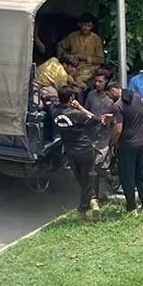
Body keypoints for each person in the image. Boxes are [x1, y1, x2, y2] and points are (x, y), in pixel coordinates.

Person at [50, 86, 112, 221]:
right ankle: (83, 209)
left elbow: (54, 104)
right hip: (84, 150)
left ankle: (93, 201)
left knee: (81, 179)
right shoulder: (76, 114)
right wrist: (80, 107)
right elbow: (96, 120)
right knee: (88, 178)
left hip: (69, 151)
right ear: (71, 98)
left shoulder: (54, 112)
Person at [107, 82, 143, 215]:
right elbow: (131, 114)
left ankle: (132, 207)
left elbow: (118, 129)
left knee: (127, 177)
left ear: (114, 90)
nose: (109, 97)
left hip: (127, 145)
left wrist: (112, 143)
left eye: (109, 93)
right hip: (142, 142)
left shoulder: (118, 105)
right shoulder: (137, 97)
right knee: (140, 174)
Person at [84, 68, 115, 199]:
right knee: (93, 167)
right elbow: (86, 111)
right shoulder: (91, 95)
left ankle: (110, 186)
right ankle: (94, 196)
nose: (97, 84)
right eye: (96, 81)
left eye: (100, 81)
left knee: (102, 166)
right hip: (92, 135)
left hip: (106, 136)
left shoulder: (111, 99)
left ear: (107, 82)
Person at [56, 13, 104, 88]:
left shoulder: (96, 39)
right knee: (64, 78)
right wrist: (64, 58)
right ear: (79, 24)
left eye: (89, 26)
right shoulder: (72, 36)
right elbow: (60, 46)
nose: (86, 28)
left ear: (92, 27)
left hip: (89, 68)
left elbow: (101, 59)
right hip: (73, 67)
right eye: (84, 25)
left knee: (79, 80)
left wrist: (85, 58)